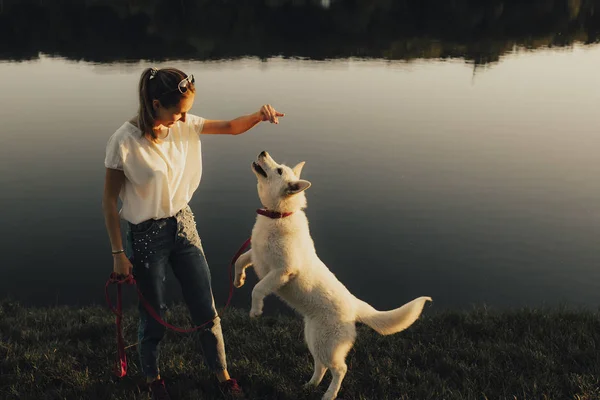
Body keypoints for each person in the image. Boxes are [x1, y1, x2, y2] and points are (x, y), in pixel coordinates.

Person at [102, 67, 284, 400]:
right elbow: (108, 202)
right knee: (153, 312)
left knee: (205, 305)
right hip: (145, 235)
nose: (185, 118)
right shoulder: (123, 142)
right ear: (155, 104)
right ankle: (152, 377)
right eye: (178, 111)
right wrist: (118, 254)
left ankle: (222, 373)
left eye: (187, 110)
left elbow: (229, 127)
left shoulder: (183, 124)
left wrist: (259, 116)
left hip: (184, 225)